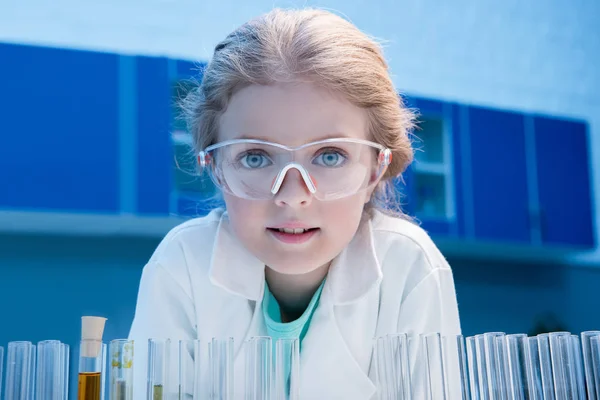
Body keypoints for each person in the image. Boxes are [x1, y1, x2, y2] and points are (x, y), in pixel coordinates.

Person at [128, 7, 461, 399]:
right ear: (214, 167)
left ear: (375, 169)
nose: (292, 195)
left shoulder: (410, 267)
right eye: (255, 157)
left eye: (330, 155)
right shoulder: (183, 264)